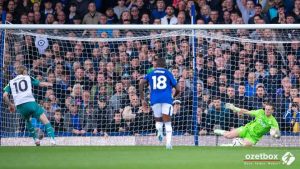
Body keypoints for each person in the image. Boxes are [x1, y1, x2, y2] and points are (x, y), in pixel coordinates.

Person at [3, 65, 56, 146]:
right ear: (24, 71)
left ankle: (36, 140)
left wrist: (10, 105)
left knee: (28, 120)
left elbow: (4, 95)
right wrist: (50, 84)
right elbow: (40, 84)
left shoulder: (11, 82)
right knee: (46, 121)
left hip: (20, 106)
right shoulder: (27, 77)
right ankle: (52, 140)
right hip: (30, 103)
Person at [139, 57, 180, 149]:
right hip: (166, 100)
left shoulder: (151, 73)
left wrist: (142, 99)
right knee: (168, 122)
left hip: (155, 100)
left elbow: (141, 83)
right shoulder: (168, 73)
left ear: (156, 65)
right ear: (165, 65)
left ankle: (159, 131)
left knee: (158, 119)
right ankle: (168, 144)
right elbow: (178, 88)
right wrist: (174, 96)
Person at [214, 102, 280, 146]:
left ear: (272, 111)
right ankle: (217, 131)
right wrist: (234, 108)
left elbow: (277, 134)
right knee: (227, 136)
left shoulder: (273, 122)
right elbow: (247, 112)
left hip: (253, 137)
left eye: (269, 109)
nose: (267, 111)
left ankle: (226, 146)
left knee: (244, 146)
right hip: (246, 129)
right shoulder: (260, 112)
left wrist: (275, 134)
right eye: (266, 109)